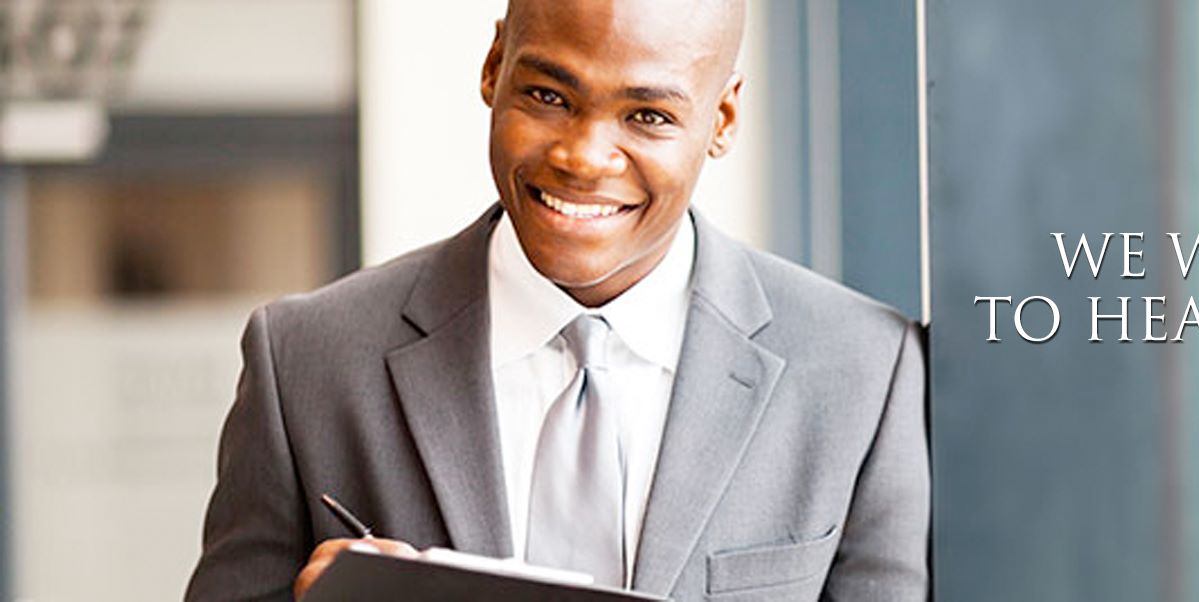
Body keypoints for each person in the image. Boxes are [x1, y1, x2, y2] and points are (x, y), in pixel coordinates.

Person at [184, 0, 929, 599]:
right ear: (493, 66)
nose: (582, 156)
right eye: (547, 95)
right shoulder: (307, 360)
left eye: (648, 117)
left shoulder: (863, 372)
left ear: (722, 120)